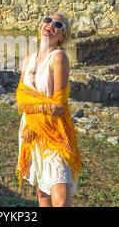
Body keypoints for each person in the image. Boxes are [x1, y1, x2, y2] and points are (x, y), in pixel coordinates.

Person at [16, 13, 82, 207]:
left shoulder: (59, 57)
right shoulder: (28, 60)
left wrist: (32, 107)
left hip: (54, 133)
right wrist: (39, 109)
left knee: (60, 198)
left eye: (58, 24)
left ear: (62, 36)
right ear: (40, 26)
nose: (51, 25)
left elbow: (58, 106)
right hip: (29, 131)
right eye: (48, 20)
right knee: (42, 191)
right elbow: (20, 100)